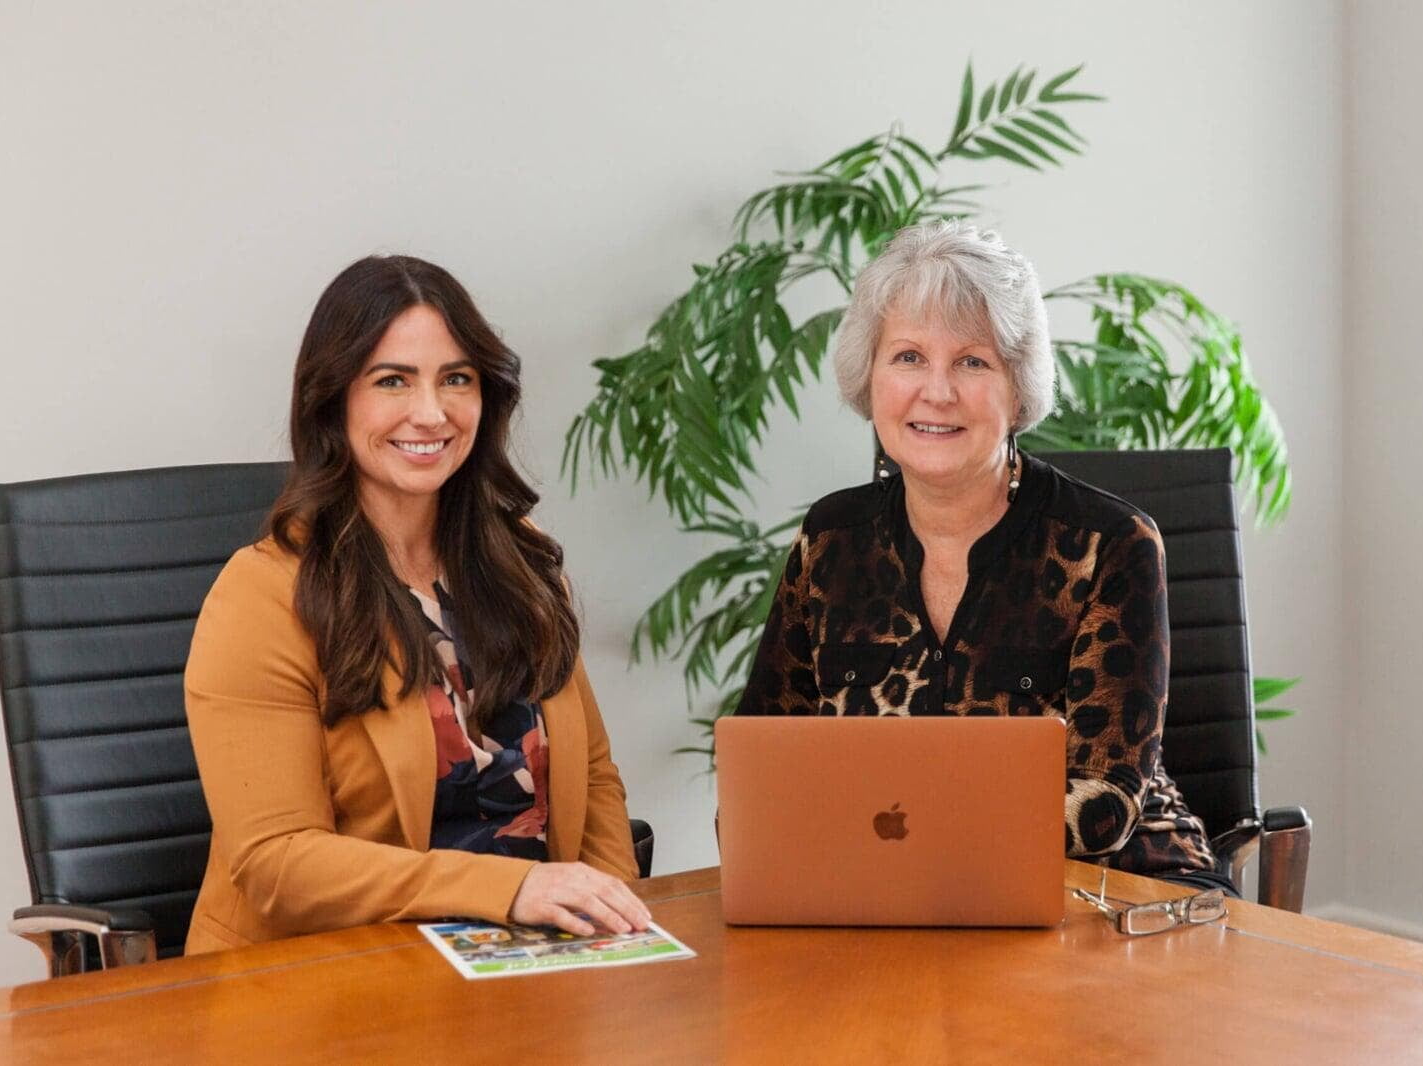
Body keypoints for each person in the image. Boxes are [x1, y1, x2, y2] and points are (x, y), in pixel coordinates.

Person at [735, 222, 1229, 892]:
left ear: (1019, 389)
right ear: (869, 378)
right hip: (890, 889)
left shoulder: (1110, 544)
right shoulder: (830, 540)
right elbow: (762, 762)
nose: (935, 391)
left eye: (972, 361)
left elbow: (1104, 801)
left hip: (1115, 893)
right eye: (908, 357)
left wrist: (919, 853)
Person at [183, 255, 650, 954]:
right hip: (331, 981)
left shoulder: (516, 557)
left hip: (529, 968)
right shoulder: (264, 594)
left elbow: (593, 777)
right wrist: (508, 890)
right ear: (333, 400)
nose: (431, 413)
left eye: (455, 379)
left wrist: (623, 929)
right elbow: (277, 863)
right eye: (392, 381)